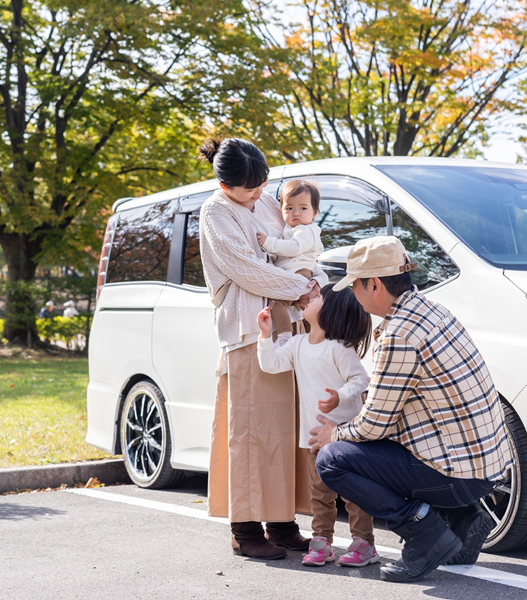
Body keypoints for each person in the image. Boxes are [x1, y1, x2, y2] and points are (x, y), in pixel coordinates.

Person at [308, 236, 514, 583]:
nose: (353, 296)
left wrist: (334, 433)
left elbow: (374, 425)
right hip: (486, 472)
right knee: (371, 445)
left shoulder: (399, 334)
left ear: (373, 285)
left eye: (354, 286)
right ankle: (463, 518)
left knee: (332, 459)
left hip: (457, 478)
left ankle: (425, 531)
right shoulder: (433, 311)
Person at [198, 137, 329, 560]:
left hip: (288, 324)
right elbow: (245, 269)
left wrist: (314, 284)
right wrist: (302, 287)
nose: (258, 194)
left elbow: (301, 246)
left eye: (262, 184)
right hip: (249, 329)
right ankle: (245, 528)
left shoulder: (270, 201)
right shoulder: (215, 211)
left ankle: (282, 522)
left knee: (285, 428)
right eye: (248, 188)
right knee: (252, 431)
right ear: (225, 183)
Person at [256, 284, 380, 569]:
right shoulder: (298, 344)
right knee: (320, 494)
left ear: (333, 310)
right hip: (314, 436)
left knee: (354, 493)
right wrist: (265, 335)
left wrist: (340, 396)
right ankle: (321, 542)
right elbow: (271, 364)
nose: (310, 297)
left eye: (318, 296)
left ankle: (364, 542)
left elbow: (361, 380)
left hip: (347, 436)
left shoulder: (339, 349)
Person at [255, 179, 324, 345]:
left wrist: (267, 243)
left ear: (315, 212)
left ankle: (284, 337)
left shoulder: (307, 230)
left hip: (299, 272)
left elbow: (293, 248)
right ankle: (312, 337)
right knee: (300, 308)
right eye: (289, 208)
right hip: (294, 271)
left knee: (278, 303)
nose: (296, 213)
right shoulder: (291, 228)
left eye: (303, 208)